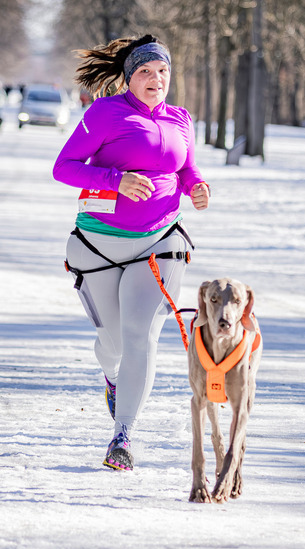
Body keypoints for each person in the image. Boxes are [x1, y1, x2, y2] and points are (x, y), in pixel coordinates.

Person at [53, 34, 210, 471]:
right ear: (128, 77)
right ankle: (111, 378)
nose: (155, 79)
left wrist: (195, 186)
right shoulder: (105, 112)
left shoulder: (181, 118)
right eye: (145, 71)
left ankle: (122, 435)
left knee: (142, 336)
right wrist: (114, 180)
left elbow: (185, 167)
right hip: (100, 243)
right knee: (115, 341)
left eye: (162, 71)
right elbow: (63, 167)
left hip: (159, 241)